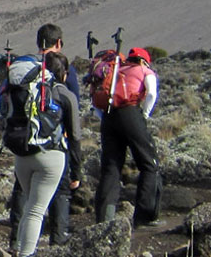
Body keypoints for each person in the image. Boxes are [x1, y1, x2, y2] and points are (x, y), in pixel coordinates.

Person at [12, 53, 80, 257]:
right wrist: (76, 172)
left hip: (22, 154)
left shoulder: (27, 89)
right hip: (51, 156)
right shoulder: (64, 94)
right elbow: (75, 136)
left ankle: (19, 248)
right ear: (64, 73)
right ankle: (26, 254)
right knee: (36, 211)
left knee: (30, 206)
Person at [93, 47, 160, 225]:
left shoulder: (115, 70)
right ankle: (145, 217)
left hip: (109, 117)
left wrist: (104, 117)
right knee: (149, 164)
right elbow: (151, 93)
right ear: (144, 61)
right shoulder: (144, 70)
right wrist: (144, 115)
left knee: (111, 168)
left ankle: (104, 219)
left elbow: (96, 103)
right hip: (130, 113)